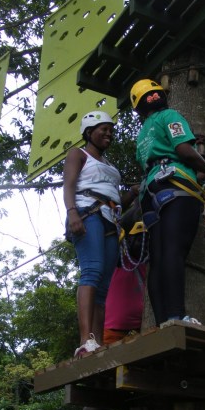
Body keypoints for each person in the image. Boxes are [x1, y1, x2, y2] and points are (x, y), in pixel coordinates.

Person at [130, 79, 205, 327]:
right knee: (174, 251)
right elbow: (184, 151)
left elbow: (169, 164)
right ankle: (177, 315)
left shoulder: (143, 133)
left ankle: (166, 320)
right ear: (158, 98)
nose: (156, 98)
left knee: (160, 256)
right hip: (177, 190)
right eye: (154, 96)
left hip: (151, 194)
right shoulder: (170, 116)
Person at [63, 111, 139, 357]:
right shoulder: (78, 154)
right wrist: (72, 212)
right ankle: (86, 340)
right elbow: (70, 185)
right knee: (92, 272)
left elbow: (117, 199)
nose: (108, 133)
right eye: (102, 129)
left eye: (110, 130)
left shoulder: (109, 166)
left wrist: (135, 191)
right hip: (88, 213)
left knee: (104, 286)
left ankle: (97, 343)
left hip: (111, 218)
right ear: (88, 132)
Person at [71, 222, 147, 410]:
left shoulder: (146, 262)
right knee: (106, 390)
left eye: (144, 238)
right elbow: (115, 228)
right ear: (128, 240)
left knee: (137, 385)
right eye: (137, 237)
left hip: (139, 332)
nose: (141, 242)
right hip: (112, 332)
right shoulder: (117, 260)